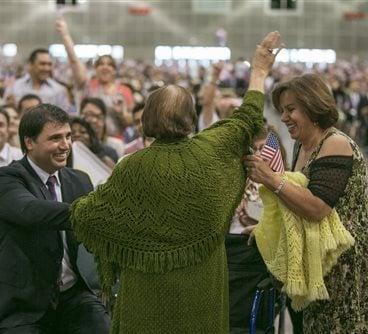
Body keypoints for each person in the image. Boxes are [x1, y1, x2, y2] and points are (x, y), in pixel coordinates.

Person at [70, 31, 282, 333]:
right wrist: (260, 70)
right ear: (190, 116)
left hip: (146, 290)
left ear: (147, 117)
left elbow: (91, 217)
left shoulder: (133, 167)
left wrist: (76, 206)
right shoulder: (211, 148)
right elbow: (248, 116)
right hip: (202, 285)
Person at [244, 73, 368, 333]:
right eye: (282, 111)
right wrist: (263, 229)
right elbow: (294, 203)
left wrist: (270, 178)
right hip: (321, 260)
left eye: (291, 110)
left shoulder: (335, 143)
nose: (284, 117)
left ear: (313, 106)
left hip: (348, 263)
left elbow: (317, 207)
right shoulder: (303, 145)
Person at [0, 104, 110, 334]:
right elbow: (32, 210)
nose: (65, 145)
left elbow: (99, 232)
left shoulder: (79, 180)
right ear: (29, 142)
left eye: (68, 136)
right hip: (20, 303)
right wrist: (91, 212)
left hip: (71, 295)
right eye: (55, 138)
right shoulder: (6, 178)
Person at [226, 124, 287, 333]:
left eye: (265, 149)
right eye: (255, 150)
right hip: (229, 255)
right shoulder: (232, 184)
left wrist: (262, 230)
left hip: (259, 261)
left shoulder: (285, 185)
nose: (260, 155)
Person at [3, 49, 70, 111]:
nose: (46, 68)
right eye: (42, 64)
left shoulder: (59, 90)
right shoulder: (14, 87)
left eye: (49, 64)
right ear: (30, 65)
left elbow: (64, 118)